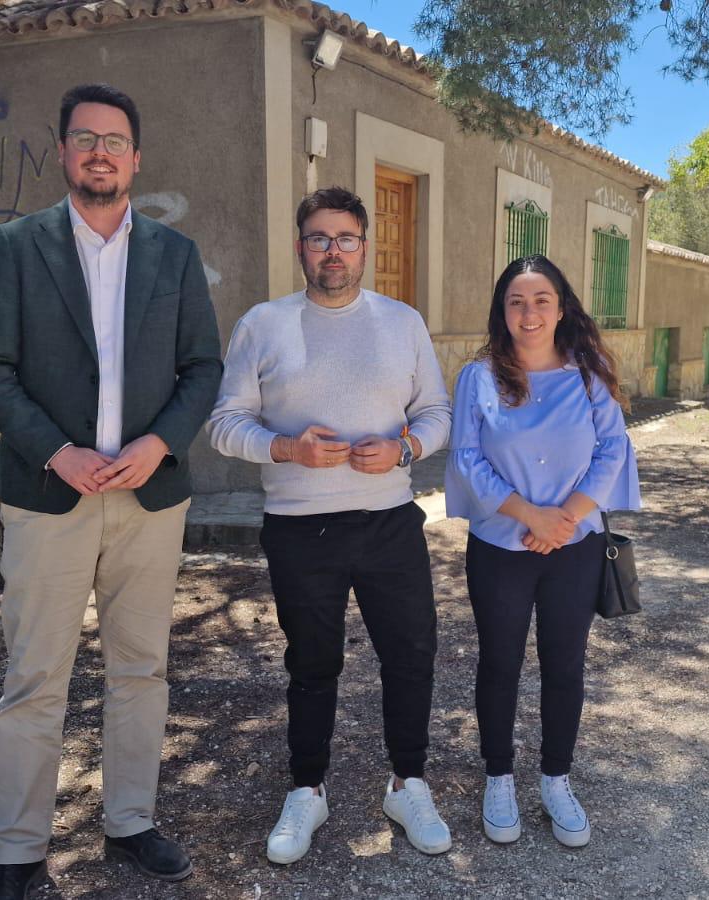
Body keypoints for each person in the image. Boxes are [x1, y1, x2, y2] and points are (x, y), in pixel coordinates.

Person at [0, 83, 223, 899]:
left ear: (136, 159)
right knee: (35, 676)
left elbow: (202, 370)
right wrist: (57, 452)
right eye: (85, 138)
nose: (100, 151)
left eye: (114, 140)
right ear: (67, 152)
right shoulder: (18, 245)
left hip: (150, 496)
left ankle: (132, 822)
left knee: (140, 670)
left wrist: (157, 443)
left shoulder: (172, 257)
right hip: (50, 496)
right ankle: (18, 849)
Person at [207, 186, 453, 865]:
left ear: (365, 247)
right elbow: (225, 423)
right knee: (312, 664)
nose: (333, 251)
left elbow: (436, 412)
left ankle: (407, 784)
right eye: (319, 238)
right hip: (300, 527)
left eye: (346, 238)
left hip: (389, 522)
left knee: (410, 656)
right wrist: (287, 448)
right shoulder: (263, 323)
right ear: (300, 247)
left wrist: (405, 450)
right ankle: (308, 791)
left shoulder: (402, 322)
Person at [444, 254, 641, 848]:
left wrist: (568, 519)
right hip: (500, 545)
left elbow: (612, 449)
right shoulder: (478, 377)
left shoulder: (589, 372)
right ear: (501, 312)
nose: (529, 313)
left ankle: (556, 778)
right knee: (499, 663)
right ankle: (499, 776)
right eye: (516, 302)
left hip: (575, 546)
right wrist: (530, 516)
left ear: (562, 308)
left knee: (565, 664)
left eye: (541, 301)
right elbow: (466, 459)